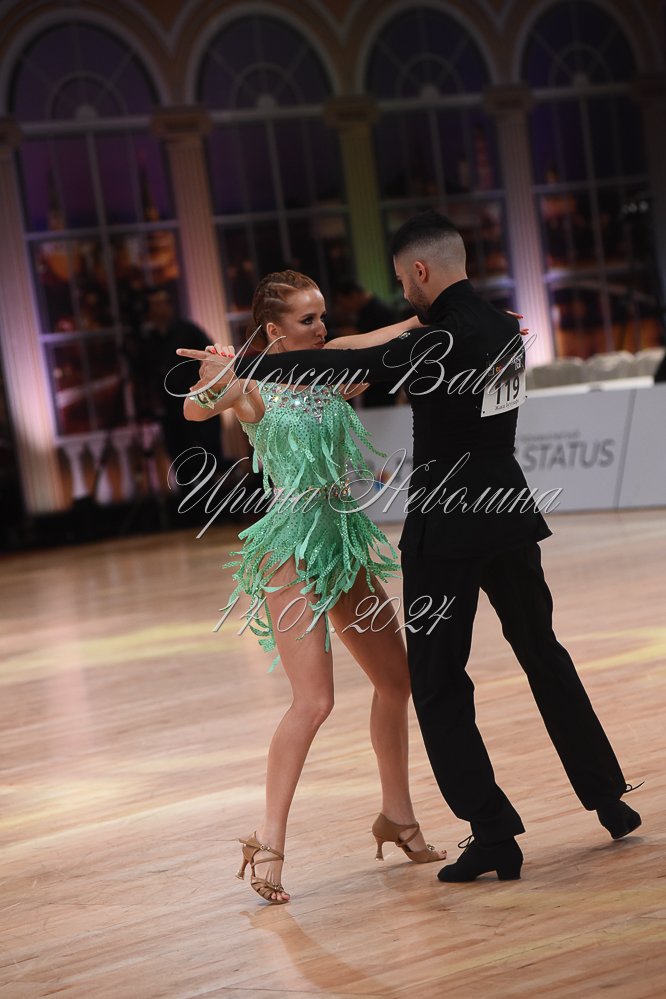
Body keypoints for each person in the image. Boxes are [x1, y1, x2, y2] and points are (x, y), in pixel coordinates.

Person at [184, 212, 642, 885]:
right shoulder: (501, 328)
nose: (400, 293)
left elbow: (359, 352)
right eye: (309, 318)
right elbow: (218, 400)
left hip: (417, 533)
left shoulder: (409, 347)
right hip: (468, 518)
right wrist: (226, 374)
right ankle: (605, 796)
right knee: (529, 656)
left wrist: (253, 360)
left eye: (403, 280)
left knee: (422, 681)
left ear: (420, 271)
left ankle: (453, 825)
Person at [181, 270, 445, 904]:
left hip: (343, 541)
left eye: (322, 315)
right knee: (314, 701)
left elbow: (383, 336)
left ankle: (398, 816)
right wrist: (217, 373)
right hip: (292, 551)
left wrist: (453, 314)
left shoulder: (331, 368)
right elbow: (198, 406)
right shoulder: (254, 387)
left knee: (396, 681)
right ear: (274, 330)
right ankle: (267, 840)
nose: (322, 328)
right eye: (308, 320)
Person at [125, 287, 225, 475]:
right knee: (181, 466)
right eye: (154, 305)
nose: (159, 308)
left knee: (206, 463)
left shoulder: (187, 331)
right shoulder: (148, 341)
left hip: (198, 407)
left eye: (162, 303)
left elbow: (213, 356)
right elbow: (142, 375)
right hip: (170, 413)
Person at [332, 279, 399, 408]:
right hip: (373, 376)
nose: (344, 308)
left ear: (353, 295)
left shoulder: (379, 311)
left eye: (343, 303)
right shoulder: (363, 311)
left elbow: (381, 342)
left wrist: (351, 334)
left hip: (383, 377)